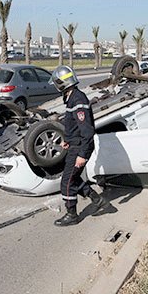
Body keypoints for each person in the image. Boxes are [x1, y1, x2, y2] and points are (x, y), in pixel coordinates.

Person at [50, 65, 108, 227]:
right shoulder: (71, 97)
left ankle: (72, 214)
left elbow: (87, 131)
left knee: (66, 182)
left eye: (56, 82)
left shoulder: (78, 100)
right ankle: (98, 200)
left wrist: (82, 155)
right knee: (73, 179)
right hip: (75, 145)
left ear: (62, 82)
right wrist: (68, 139)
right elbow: (74, 126)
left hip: (80, 148)